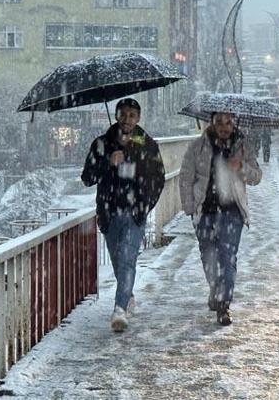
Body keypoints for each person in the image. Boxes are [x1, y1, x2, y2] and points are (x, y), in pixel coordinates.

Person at [81, 98, 165, 333]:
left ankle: (119, 309)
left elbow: (158, 178)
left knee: (127, 259)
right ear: (117, 115)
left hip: (134, 213)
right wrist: (108, 162)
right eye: (124, 114)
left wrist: (144, 205)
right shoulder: (101, 144)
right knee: (118, 260)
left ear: (138, 119)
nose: (127, 119)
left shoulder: (147, 145)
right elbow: (87, 178)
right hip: (108, 213)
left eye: (132, 115)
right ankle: (127, 296)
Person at [179, 112, 262, 326]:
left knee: (227, 257)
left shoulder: (242, 147)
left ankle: (224, 304)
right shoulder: (198, 147)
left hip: (232, 212)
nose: (224, 127)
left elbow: (256, 177)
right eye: (219, 122)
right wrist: (190, 208)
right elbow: (186, 177)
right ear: (211, 123)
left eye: (228, 122)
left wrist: (241, 167)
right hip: (205, 212)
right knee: (209, 257)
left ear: (234, 124)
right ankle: (215, 289)